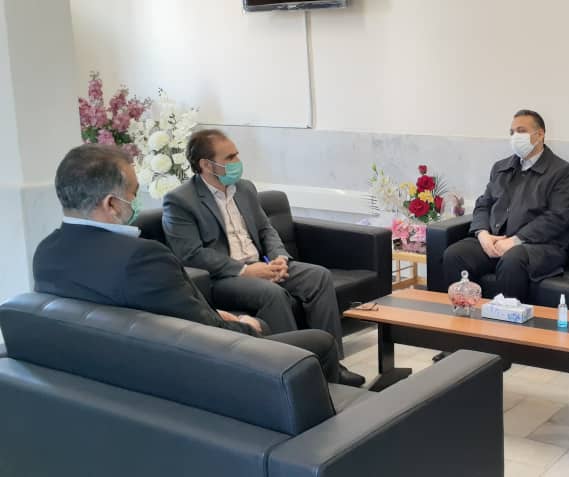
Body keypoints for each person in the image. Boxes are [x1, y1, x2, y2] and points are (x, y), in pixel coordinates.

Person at [32, 144, 351, 385]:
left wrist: (213, 314)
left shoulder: (46, 254)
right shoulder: (143, 257)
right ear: (112, 204)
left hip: (114, 374)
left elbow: (171, 315)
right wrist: (246, 325)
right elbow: (207, 335)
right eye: (133, 193)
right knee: (317, 343)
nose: (136, 202)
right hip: (190, 377)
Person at [162, 129, 362, 386]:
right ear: (206, 165)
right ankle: (298, 373)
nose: (237, 162)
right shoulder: (180, 201)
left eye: (237, 155)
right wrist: (245, 271)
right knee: (273, 294)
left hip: (263, 265)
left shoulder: (245, 188)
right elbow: (190, 254)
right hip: (224, 277)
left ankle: (333, 366)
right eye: (229, 158)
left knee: (318, 277)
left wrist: (280, 259)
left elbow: (266, 229)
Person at [442, 109, 569, 302]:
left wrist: (515, 240)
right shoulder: (501, 167)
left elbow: (558, 217)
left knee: (512, 260)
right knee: (455, 254)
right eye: (512, 132)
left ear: (540, 134)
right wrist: (482, 234)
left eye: (521, 131)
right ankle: (463, 316)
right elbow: (483, 204)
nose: (515, 137)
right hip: (496, 240)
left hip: (539, 247)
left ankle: (508, 320)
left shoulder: (562, 171)